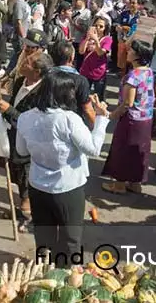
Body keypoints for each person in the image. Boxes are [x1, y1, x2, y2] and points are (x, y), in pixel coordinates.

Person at [15, 71, 110, 266]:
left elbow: (21, 150)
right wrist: (101, 119)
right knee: (70, 239)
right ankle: (65, 277)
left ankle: (43, 272)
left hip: (38, 186)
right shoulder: (68, 119)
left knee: (43, 237)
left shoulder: (25, 118)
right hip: (68, 188)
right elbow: (93, 149)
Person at [0, 52, 54, 232]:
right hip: (14, 138)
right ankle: (24, 209)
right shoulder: (21, 82)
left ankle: (30, 215)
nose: (23, 63)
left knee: (28, 180)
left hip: (30, 146)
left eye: (28, 63)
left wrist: (9, 111)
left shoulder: (44, 93)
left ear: (36, 72)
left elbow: (35, 123)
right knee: (17, 176)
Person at [101, 41, 156, 194]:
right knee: (139, 152)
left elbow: (127, 103)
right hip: (146, 118)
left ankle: (119, 185)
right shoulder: (149, 72)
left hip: (131, 120)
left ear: (138, 55)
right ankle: (135, 183)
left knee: (123, 150)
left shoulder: (133, 76)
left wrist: (111, 115)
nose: (128, 51)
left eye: (131, 50)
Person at [49, 41, 95, 126]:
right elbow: (87, 109)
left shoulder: (45, 76)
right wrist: (97, 127)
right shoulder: (81, 80)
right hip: (72, 125)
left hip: (47, 121)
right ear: (71, 58)